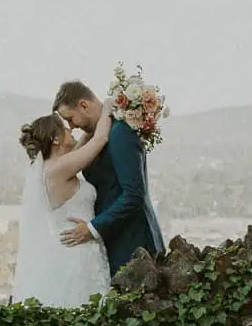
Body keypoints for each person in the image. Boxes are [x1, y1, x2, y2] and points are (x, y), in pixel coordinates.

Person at [50, 79, 165, 273]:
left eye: (70, 118)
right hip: (114, 242)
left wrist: (92, 228)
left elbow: (134, 194)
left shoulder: (120, 132)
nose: (71, 126)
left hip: (134, 244)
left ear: (83, 105)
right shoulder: (97, 136)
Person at [12, 111, 112, 307]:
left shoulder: (52, 167)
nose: (72, 129)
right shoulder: (57, 169)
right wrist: (110, 105)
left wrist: (86, 131)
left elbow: (82, 144)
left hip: (81, 252)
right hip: (76, 258)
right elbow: (100, 140)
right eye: (66, 129)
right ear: (56, 139)